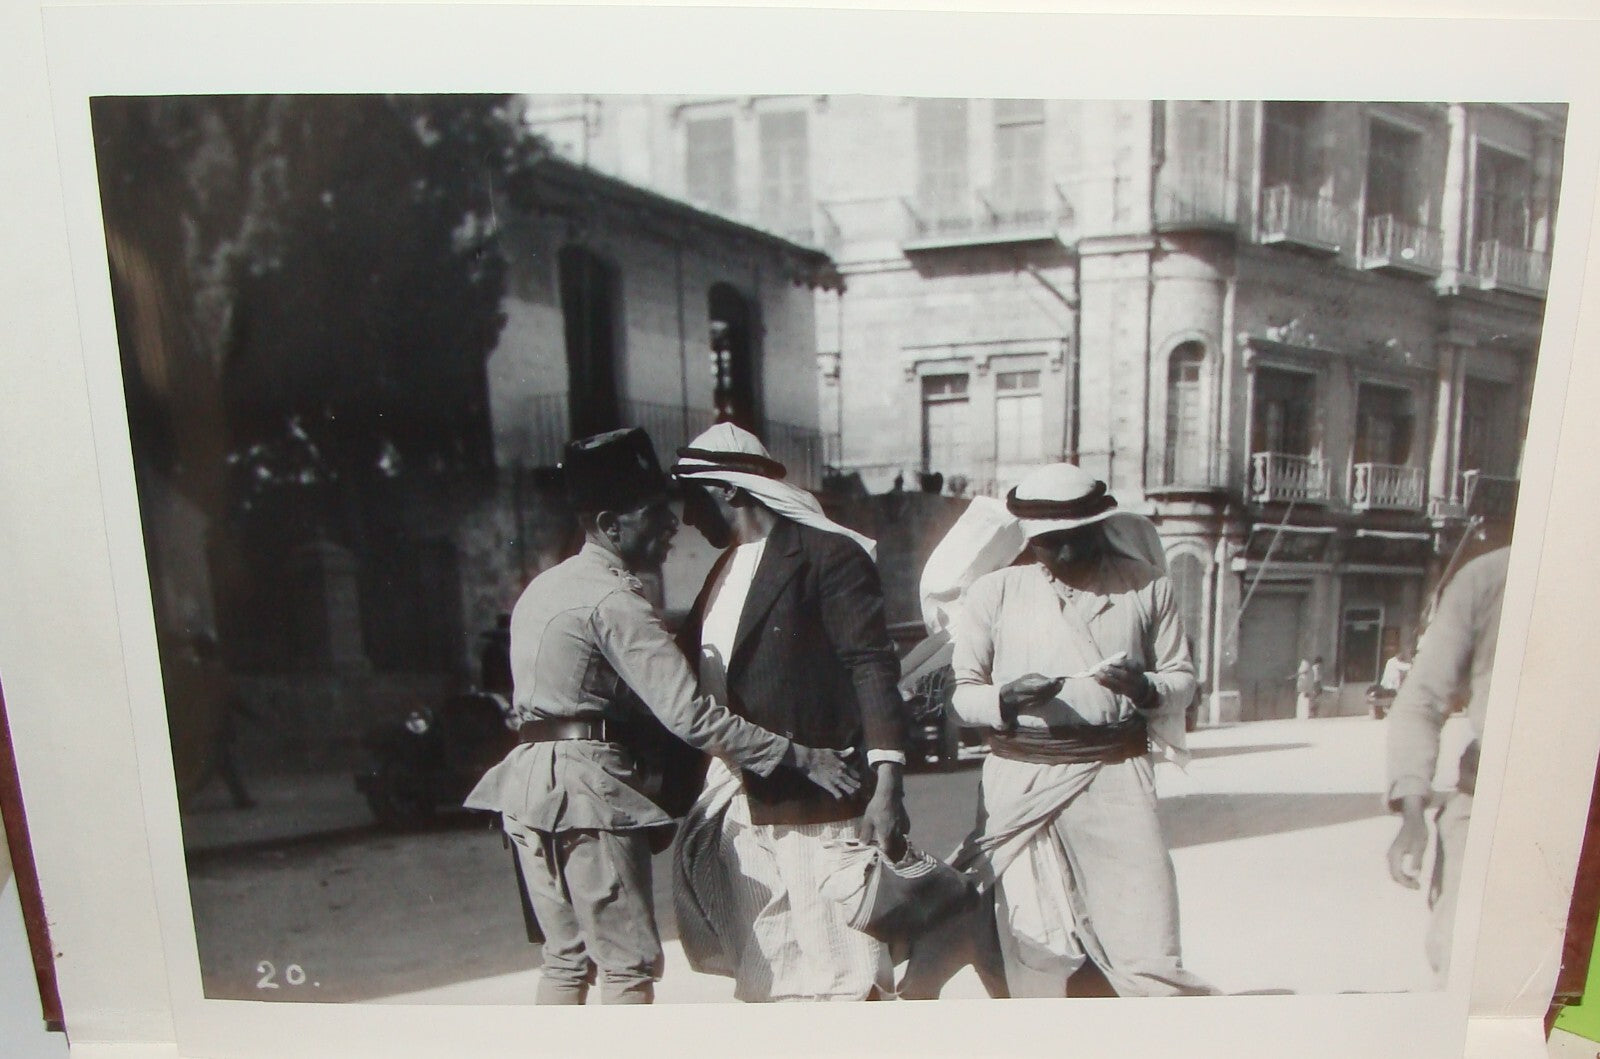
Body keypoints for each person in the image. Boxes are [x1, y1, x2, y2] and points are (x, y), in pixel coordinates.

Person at [463, 428, 858, 1006]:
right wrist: (794, 753)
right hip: (584, 793)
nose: (672, 524)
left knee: (565, 961)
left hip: (526, 786)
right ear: (609, 523)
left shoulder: (544, 588)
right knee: (627, 967)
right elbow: (691, 716)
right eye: (654, 513)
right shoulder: (613, 601)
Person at [931, 462, 1215, 998]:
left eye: (1076, 541)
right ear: (1027, 538)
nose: (1063, 555)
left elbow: (1184, 679)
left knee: (1146, 940)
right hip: (1018, 779)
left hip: (1116, 775)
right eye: (1048, 543)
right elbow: (961, 694)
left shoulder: (1145, 584)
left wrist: (1143, 688)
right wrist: (1004, 698)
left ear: (1099, 526)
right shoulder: (994, 592)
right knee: (1033, 940)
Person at [669, 422, 908, 1003]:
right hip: (737, 799)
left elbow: (871, 665)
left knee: (843, 966)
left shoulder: (829, 555)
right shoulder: (719, 573)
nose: (682, 518)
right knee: (767, 967)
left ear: (728, 490)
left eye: (691, 499)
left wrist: (888, 786)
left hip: (819, 797)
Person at [1385, 545, 1510, 981]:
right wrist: (1412, 809)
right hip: (1493, 807)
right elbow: (1420, 703)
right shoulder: (1488, 580)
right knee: (1467, 970)